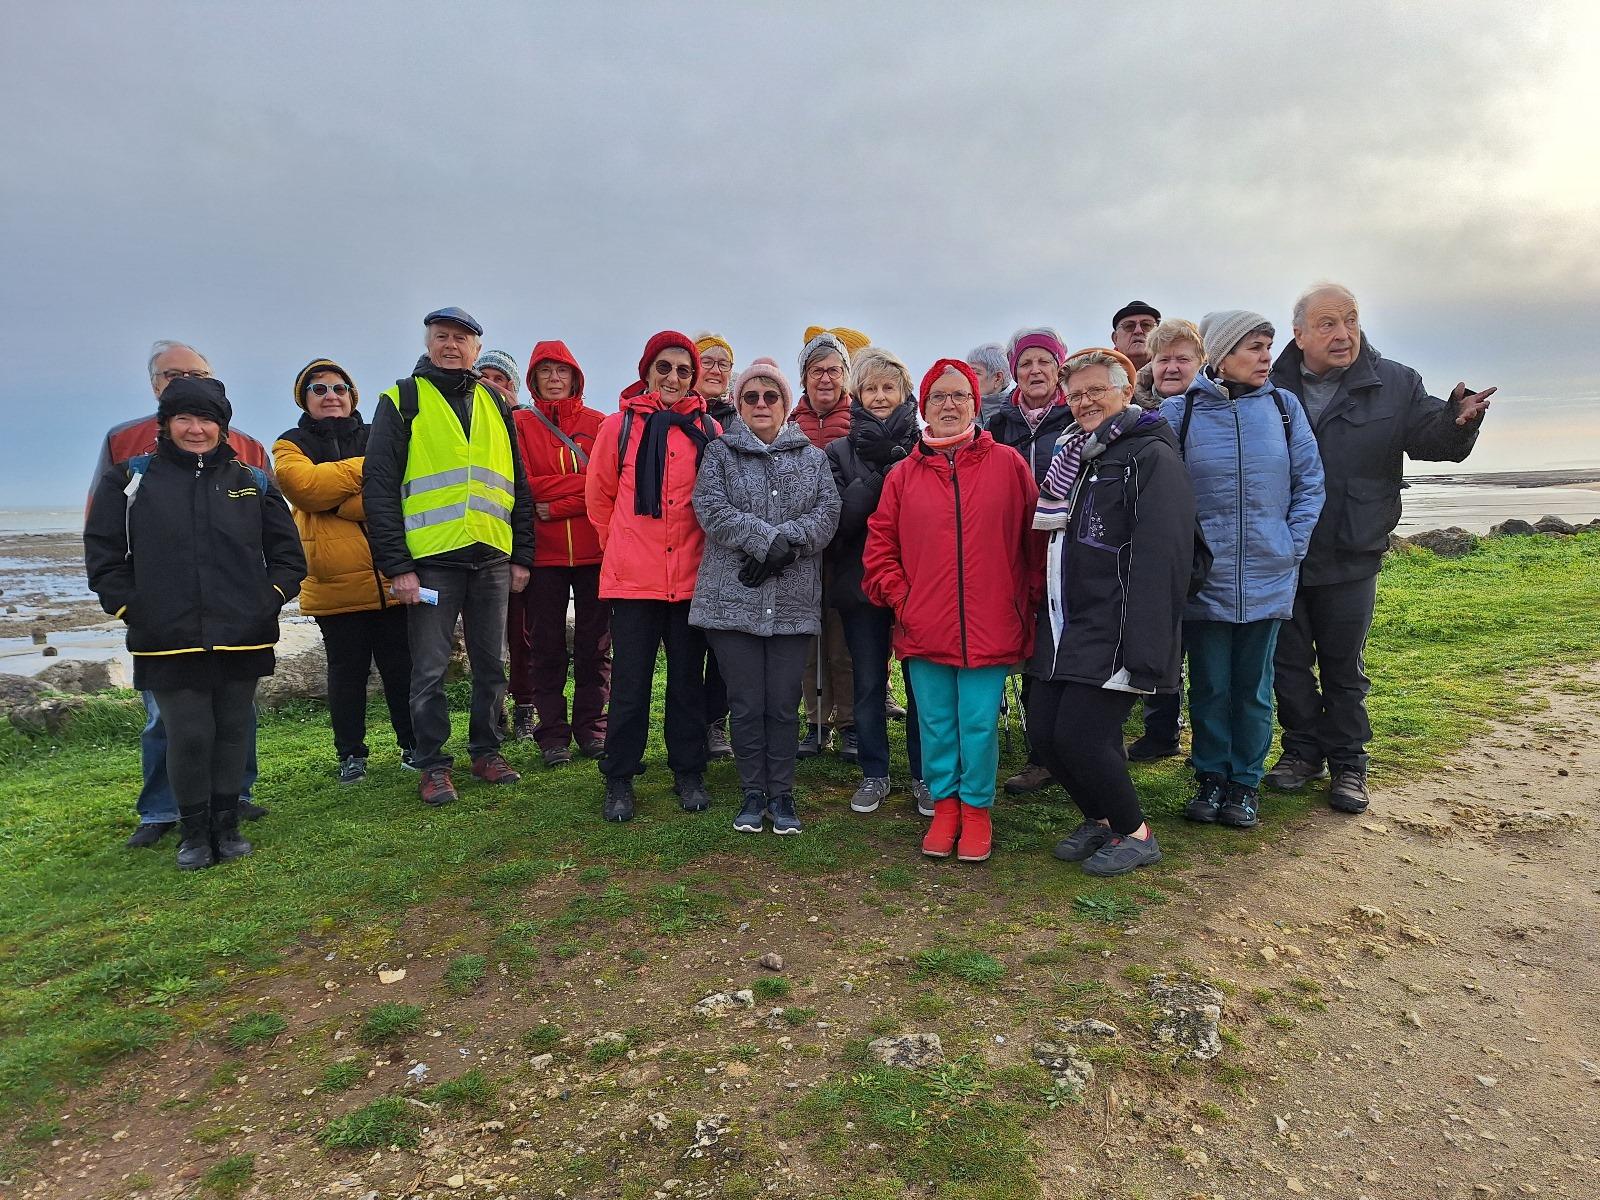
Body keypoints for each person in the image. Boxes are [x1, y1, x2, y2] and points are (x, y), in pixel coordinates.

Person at [1266, 283, 1493, 813]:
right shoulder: (1267, 385)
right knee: (1288, 662)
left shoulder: (1395, 382)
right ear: (1299, 334)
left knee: (1344, 666)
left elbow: (1434, 438)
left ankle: (1348, 764)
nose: (1343, 333)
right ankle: (1300, 752)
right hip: (1283, 550)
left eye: (1350, 319)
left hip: (1353, 547)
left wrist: (1460, 422)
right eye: (1327, 324)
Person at [85, 377, 305, 869]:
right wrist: (133, 609)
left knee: (231, 729)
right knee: (187, 733)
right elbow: (103, 559)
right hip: (165, 637)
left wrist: (266, 600)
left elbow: (289, 557)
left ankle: (226, 827)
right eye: (184, 418)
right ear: (165, 423)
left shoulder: (252, 480)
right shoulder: (129, 479)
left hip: (241, 632)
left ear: (222, 427)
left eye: (207, 419)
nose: (196, 428)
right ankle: (193, 832)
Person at [863, 359, 1038, 863]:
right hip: (926, 624)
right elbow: (880, 548)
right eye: (939, 396)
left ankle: (977, 810)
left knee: (979, 722)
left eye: (959, 395)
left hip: (992, 623)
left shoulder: (1009, 464)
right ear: (924, 406)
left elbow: (1033, 544)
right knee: (936, 722)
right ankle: (945, 807)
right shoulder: (903, 475)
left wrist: (1022, 603)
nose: (949, 404)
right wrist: (903, 599)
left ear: (974, 404)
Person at [1028, 350, 1194, 876]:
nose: (1084, 402)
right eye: (1075, 394)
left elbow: (1164, 558)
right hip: (1067, 621)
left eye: (1096, 390)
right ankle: (1099, 819)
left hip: (1118, 625)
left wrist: (1147, 647)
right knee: (1044, 735)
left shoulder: (1150, 457)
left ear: (1126, 391)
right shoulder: (1080, 456)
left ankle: (1135, 832)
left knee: (1083, 736)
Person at [363, 306, 535, 807]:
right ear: (428, 341)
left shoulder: (497, 406)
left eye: (462, 338)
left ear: (477, 349)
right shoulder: (402, 399)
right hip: (431, 560)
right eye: (442, 336)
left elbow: (516, 485)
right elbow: (379, 486)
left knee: (491, 665)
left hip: (491, 559)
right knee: (430, 670)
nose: (451, 345)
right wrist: (397, 566)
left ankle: (487, 750)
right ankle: (433, 764)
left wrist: (520, 555)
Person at [1162, 312, 1325, 829]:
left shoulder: (1283, 408)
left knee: (1253, 687)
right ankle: (1210, 776)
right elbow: (1162, 491)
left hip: (1268, 571)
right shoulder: (1178, 412)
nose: (1265, 357)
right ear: (1222, 354)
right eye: (1253, 347)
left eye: (1268, 347)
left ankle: (1244, 783)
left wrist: (1289, 546)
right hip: (1202, 579)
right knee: (1209, 683)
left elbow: (1310, 483)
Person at [690, 358, 840, 833]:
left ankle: (784, 792)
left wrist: (786, 546)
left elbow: (827, 512)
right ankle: (753, 791)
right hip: (731, 599)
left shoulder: (812, 457)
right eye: (751, 396)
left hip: (792, 602)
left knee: (781, 702)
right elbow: (710, 507)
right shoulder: (719, 453)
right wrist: (764, 539)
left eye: (770, 396)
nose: (760, 404)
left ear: (785, 404)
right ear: (738, 403)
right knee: (746, 702)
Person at [586, 331, 721, 822]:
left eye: (684, 371)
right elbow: (599, 499)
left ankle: (689, 770)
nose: (673, 378)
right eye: (664, 367)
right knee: (630, 683)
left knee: (687, 683)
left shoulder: (707, 430)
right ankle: (619, 777)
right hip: (634, 580)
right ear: (647, 371)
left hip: (691, 579)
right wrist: (619, 547)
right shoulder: (617, 427)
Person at [273, 359, 414, 784]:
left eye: (339, 388)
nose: (330, 395)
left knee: (401, 670)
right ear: (305, 398)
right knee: (346, 676)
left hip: (390, 575)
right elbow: (304, 488)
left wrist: (336, 499)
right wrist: (367, 472)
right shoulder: (289, 443)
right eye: (319, 389)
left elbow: (402, 489)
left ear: (353, 396)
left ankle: (413, 746)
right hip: (333, 583)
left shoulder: (378, 433)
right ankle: (351, 754)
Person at [828, 347, 930, 816]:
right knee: (868, 681)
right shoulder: (839, 452)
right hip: (860, 583)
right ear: (857, 395)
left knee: (920, 685)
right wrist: (883, 479)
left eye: (889, 386)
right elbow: (840, 521)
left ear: (905, 392)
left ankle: (923, 775)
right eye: (871, 387)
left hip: (920, 585)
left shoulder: (927, 444)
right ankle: (874, 772)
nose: (880, 395)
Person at [508, 340, 610, 765]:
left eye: (561, 371)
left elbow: (605, 483)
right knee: (545, 647)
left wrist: (561, 503)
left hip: (594, 552)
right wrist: (577, 491)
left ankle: (592, 728)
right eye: (545, 371)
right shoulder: (517, 424)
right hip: (543, 555)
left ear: (574, 376)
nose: (554, 379)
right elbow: (521, 486)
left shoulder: (600, 423)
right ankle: (552, 735)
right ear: (533, 379)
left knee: (595, 646)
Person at [987, 327, 1072, 798]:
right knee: (1034, 651)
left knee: (1073, 647)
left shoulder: (1075, 413)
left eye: (1044, 361)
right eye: (1025, 363)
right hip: (1017, 549)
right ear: (1014, 371)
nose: (1035, 370)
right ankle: (1042, 756)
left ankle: (1084, 745)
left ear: (1059, 367)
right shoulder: (1000, 424)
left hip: (1072, 547)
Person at [1126, 318, 1206, 761]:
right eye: (1163, 359)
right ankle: (1161, 729)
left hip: (1202, 538)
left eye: (1183, 359)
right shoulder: (1136, 413)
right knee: (1161, 638)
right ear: (1150, 365)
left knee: (1202, 645)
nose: (1172, 367)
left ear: (1201, 362)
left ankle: (1204, 737)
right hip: (1153, 541)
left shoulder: (1215, 407)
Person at [790, 330, 858, 762]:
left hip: (848, 548)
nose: (826, 378)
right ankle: (815, 723)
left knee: (844, 642)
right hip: (802, 549)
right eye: (817, 371)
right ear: (804, 378)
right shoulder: (788, 422)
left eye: (834, 370)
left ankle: (849, 723)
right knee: (808, 639)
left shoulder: (860, 418)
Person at [694, 332, 737, 762]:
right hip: (684, 548)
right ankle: (692, 725)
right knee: (690, 649)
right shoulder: (679, 415)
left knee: (725, 648)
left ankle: (716, 723)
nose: (716, 369)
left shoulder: (740, 417)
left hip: (728, 547)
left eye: (724, 362)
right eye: (707, 360)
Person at [966, 343, 1015, 428]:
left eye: (975, 373)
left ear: (998, 378)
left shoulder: (1017, 417)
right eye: (967, 373)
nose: (968, 379)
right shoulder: (963, 415)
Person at [1111, 300, 1161, 371]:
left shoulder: (1176, 370)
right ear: (1115, 338)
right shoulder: (1099, 372)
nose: (1138, 331)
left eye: (1146, 325)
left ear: (1159, 336)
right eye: (1129, 326)